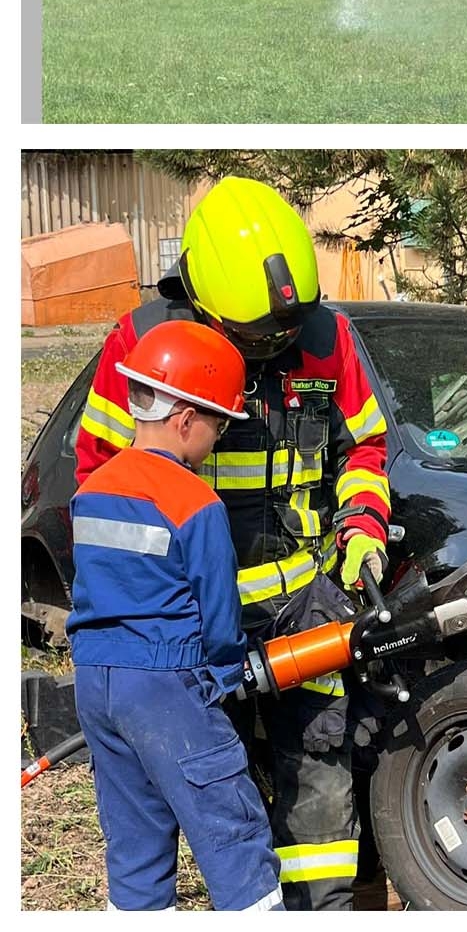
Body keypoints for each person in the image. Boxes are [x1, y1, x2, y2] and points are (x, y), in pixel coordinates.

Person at [76, 176, 393, 910]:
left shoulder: (327, 338)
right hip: (186, 631)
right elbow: (101, 480)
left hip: (303, 609)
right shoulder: (143, 345)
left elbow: (367, 449)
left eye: (283, 333)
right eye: (251, 340)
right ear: (202, 304)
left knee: (318, 770)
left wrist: (362, 528)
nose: (273, 350)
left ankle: (321, 910)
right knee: (216, 788)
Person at [69, 320, 283, 911]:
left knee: (135, 845)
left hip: (97, 685)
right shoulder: (195, 502)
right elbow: (219, 620)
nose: (216, 438)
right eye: (217, 424)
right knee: (232, 835)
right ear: (185, 419)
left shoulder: (92, 491)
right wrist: (222, 678)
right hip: (168, 687)